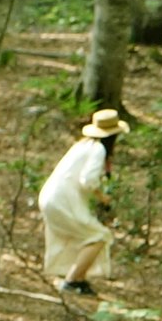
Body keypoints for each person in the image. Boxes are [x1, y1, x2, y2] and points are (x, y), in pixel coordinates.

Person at [38, 106, 124, 294]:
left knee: (85, 236)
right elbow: (88, 180)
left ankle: (79, 277)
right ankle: (71, 281)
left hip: (51, 197)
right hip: (61, 201)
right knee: (99, 236)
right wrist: (103, 198)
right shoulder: (98, 149)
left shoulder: (83, 145)